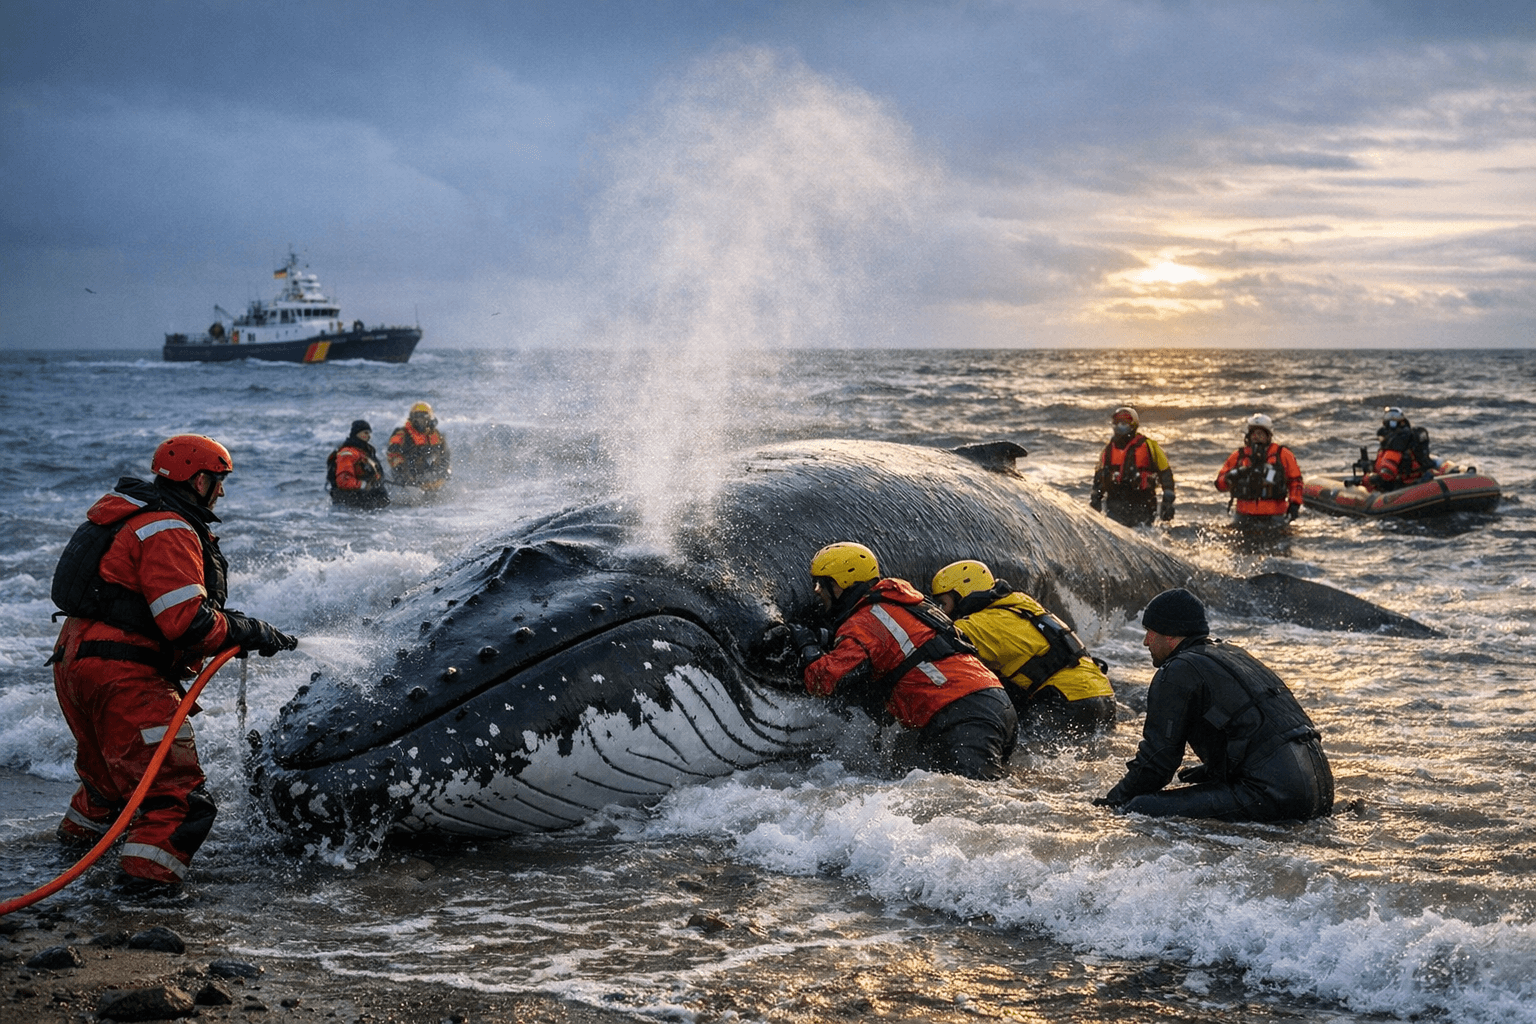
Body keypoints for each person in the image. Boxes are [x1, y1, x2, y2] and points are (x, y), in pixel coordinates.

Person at [47, 435, 299, 895]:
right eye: (218, 482)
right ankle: (144, 895)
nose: (220, 493)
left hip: (75, 661)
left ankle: (65, 863)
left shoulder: (135, 517)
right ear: (199, 479)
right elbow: (185, 623)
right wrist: (248, 630)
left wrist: (235, 630)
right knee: (178, 801)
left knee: (106, 786)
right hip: (122, 676)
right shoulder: (170, 529)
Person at [784, 542, 1018, 780]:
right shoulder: (903, 602)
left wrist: (806, 644)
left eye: (820, 583)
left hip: (962, 715)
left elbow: (822, 680)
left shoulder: (865, 621)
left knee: (971, 803)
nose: (816, 591)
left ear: (837, 585)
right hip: (995, 704)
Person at [1097, 588, 1333, 822]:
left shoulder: (1177, 671)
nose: (1145, 641)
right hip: (1319, 789)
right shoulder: (1232, 654)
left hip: (1278, 794)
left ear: (1170, 634)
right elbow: (1259, 725)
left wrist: (1111, 804)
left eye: (1150, 631)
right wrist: (1213, 772)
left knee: (1138, 808)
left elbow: (1158, 763)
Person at [929, 560, 1116, 748]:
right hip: (1103, 696)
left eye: (943, 603)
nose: (941, 611)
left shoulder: (980, 626)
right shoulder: (1019, 603)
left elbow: (931, 643)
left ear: (962, 596)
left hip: (1067, 702)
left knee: (1024, 758)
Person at [1090, 406, 1175, 527]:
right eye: (1117, 422)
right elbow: (1099, 479)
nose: (1120, 425)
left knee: (1143, 532)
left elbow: (1165, 472)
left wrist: (1168, 500)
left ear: (1133, 424)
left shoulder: (1150, 446)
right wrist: (1095, 501)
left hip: (1143, 503)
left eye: (1124, 422)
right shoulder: (1107, 451)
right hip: (1115, 504)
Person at [1214, 414, 1304, 526]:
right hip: (1244, 516)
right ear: (1249, 435)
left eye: (1261, 433)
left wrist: (1294, 505)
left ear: (1268, 435)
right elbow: (1219, 484)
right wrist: (1233, 476)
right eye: (1254, 433)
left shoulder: (1282, 454)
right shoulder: (1239, 456)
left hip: (1275, 516)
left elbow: (1295, 481)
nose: (1257, 437)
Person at [1364, 407, 1432, 491]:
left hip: (1406, 484)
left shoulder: (1396, 447)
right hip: (1402, 481)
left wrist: (1371, 479)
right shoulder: (1388, 449)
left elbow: (1388, 472)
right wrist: (1370, 468)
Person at [387, 402, 451, 490]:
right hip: (409, 472)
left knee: (444, 467)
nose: (420, 420)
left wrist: (443, 473)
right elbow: (393, 452)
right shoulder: (402, 433)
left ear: (429, 418)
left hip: (429, 471)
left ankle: (435, 486)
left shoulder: (435, 434)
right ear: (412, 418)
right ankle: (412, 487)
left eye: (423, 416)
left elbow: (444, 454)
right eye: (417, 416)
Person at [326, 419, 389, 509]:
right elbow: (343, 481)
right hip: (350, 503)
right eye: (366, 432)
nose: (369, 436)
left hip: (367, 501)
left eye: (369, 433)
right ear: (357, 433)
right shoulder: (347, 453)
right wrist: (363, 485)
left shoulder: (365, 451)